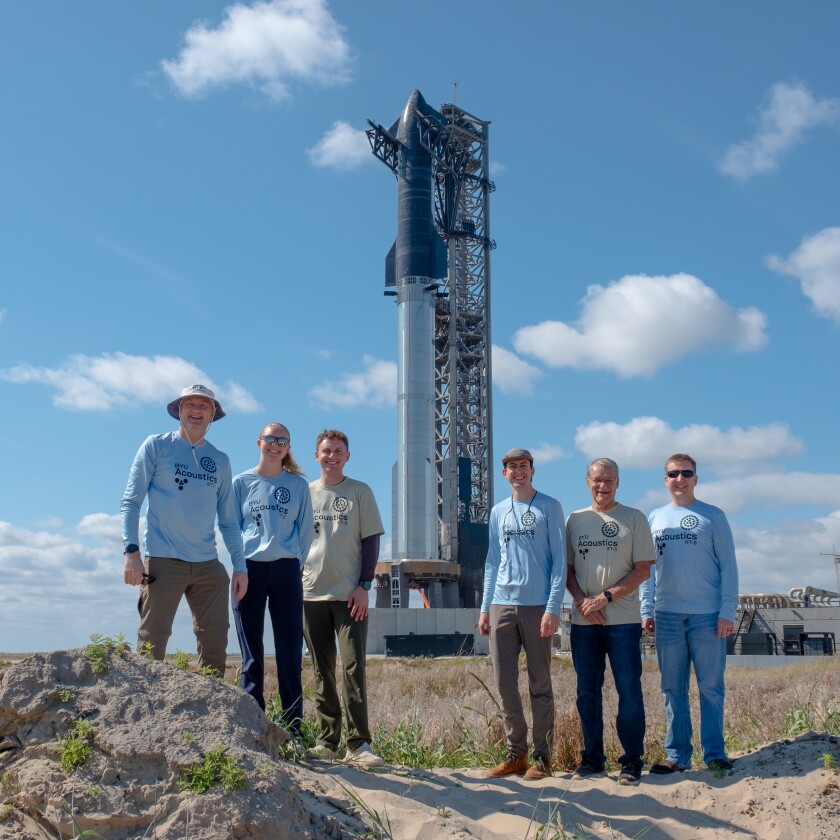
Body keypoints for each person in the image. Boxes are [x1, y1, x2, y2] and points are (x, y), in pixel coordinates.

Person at [121, 384, 248, 675]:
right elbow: (131, 501)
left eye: (204, 406)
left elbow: (228, 521)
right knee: (151, 644)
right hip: (162, 559)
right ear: (178, 410)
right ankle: (145, 707)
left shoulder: (220, 460)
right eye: (189, 404)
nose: (196, 411)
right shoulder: (156, 445)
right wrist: (131, 552)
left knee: (215, 644)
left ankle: (211, 710)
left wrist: (239, 567)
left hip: (207, 564)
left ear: (213, 414)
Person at [641, 454, 739, 774]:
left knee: (710, 688)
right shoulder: (654, 518)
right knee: (672, 689)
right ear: (665, 479)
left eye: (687, 473)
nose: (680, 479)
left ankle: (714, 754)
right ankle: (678, 756)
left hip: (707, 616)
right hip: (667, 615)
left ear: (696, 478)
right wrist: (647, 608)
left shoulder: (713, 516)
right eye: (673, 473)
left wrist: (727, 611)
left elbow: (728, 566)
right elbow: (647, 570)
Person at [565, 458, 654, 785]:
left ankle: (631, 762)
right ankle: (592, 760)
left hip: (623, 621)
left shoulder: (634, 518)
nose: (603, 486)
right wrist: (582, 602)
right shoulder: (575, 520)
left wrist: (605, 598)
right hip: (584, 623)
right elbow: (568, 572)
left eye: (609, 480)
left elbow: (643, 569)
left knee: (629, 690)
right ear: (587, 481)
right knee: (587, 691)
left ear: (618, 482)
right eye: (597, 480)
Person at [479, 448, 565, 781]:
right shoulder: (498, 511)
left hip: (536, 605)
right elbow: (491, 561)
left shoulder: (549, 506)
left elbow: (559, 560)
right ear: (504, 473)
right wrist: (485, 607)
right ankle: (516, 753)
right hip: (502, 603)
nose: (518, 472)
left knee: (540, 684)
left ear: (532, 470)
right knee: (504, 683)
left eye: (523, 466)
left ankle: (542, 758)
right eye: (512, 467)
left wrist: (553, 607)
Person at [303, 429, 384, 766]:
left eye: (338, 451)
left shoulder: (359, 491)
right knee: (322, 670)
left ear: (347, 456)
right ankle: (326, 741)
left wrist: (364, 584)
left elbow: (371, 541)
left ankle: (359, 744)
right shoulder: (304, 493)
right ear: (317, 455)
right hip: (310, 594)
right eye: (326, 451)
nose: (332, 456)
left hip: (350, 596)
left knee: (352, 667)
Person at [232, 422, 313, 735]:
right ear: (259, 443)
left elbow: (304, 533)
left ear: (288, 447)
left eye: (282, 441)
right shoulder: (241, 483)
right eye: (270, 439)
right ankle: (253, 727)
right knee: (252, 656)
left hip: (286, 570)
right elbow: (232, 528)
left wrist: (294, 562)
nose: (275, 445)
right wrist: (238, 567)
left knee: (289, 652)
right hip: (249, 569)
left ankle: (292, 730)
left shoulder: (298, 486)